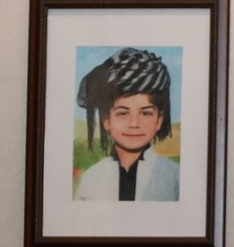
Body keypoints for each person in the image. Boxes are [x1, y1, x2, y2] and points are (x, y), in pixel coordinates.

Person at [73, 47, 181, 202]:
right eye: (122, 113)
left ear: (159, 120)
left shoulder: (175, 177)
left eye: (146, 113)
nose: (134, 123)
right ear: (106, 120)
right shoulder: (92, 178)